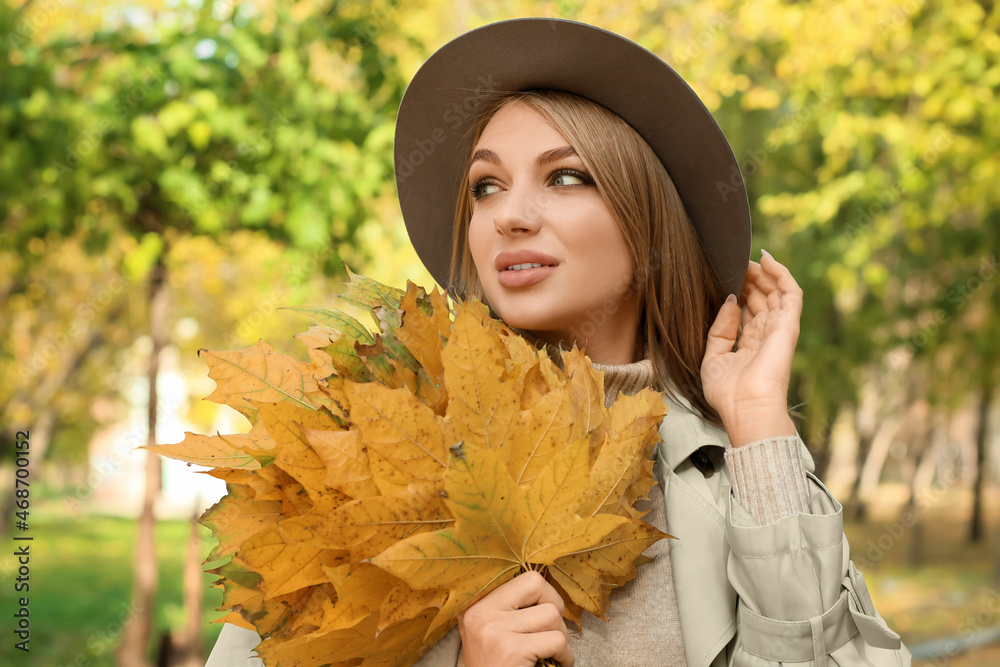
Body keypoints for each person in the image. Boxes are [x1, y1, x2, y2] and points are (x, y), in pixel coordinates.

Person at [206, 17, 911, 667]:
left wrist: (758, 417)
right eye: (486, 186)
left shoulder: (741, 469)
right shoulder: (371, 443)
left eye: (565, 176)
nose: (509, 215)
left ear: (647, 219)